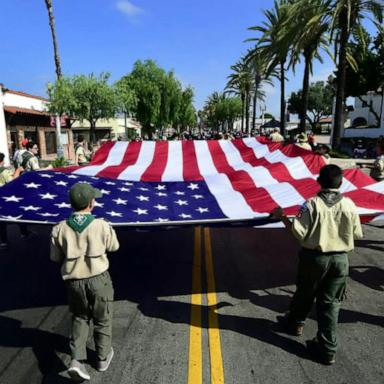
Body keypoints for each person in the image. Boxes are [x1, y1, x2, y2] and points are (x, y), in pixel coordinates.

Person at [271, 164, 363, 365]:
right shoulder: (349, 204)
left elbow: (299, 232)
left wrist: (282, 217)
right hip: (340, 261)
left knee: (305, 292)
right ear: (341, 183)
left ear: (319, 181)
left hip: (315, 259)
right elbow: (357, 234)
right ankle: (328, 349)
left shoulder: (311, 204)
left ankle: (296, 324)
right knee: (331, 304)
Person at [50, 182, 120, 381]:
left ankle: (76, 361)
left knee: (80, 317)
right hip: (99, 279)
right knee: (103, 318)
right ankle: (102, 357)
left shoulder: (59, 228)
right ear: (91, 203)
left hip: (74, 282)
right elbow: (114, 247)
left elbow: (55, 257)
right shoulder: (101, 225)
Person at [0, 152, 33, 250]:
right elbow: (13, 181)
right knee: (18, 213)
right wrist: (18, 170)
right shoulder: (3, 171)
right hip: (5, 197)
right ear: (2, 161)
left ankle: (3, 241)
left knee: (1, 220)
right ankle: (24, 233)